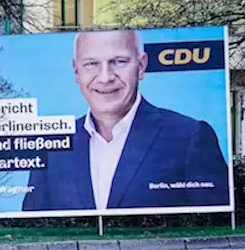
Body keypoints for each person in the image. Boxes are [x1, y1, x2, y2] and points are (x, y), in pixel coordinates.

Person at [22, 29, 229, 212]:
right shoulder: (52, 145)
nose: (105, 77)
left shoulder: (189, 136)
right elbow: (34, 226)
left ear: (141, 66)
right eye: (91, 64)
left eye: (119, 62)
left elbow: (213, 220)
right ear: (77, 71)